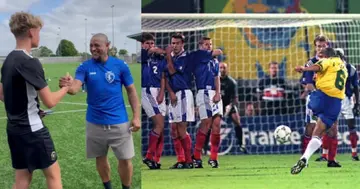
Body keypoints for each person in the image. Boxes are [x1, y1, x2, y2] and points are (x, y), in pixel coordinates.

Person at [59, 33, 140, 189]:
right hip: (94, 123)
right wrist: (67, 85)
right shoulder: (85, 67)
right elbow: (76, 87)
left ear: (107, 46)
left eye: (97, 45)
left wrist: (136, 117)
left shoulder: (120, 65)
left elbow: (131, 91)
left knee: (125, 160)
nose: (93, 49)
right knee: (100, 158)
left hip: (119, 122)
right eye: (91, 45)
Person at [1, 12, 71, 189]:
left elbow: (3, 94)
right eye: (39, 31)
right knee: (54, 176)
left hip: (14, 130)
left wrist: (30, 108)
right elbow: (50, 101)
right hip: (33, 131)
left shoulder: (8, 60)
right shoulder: (30, 62)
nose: (39, 35)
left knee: (22, 179)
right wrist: (66, 88)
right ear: (32, 32)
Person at [291, 47, 348, 174]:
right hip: (336, 103)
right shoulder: (343, 67)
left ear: (328, 56)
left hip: (321, 98)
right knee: (319, 133)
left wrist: (304, 69)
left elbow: (319, 67)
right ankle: (305, 159)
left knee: (312, 123)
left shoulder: (328, 60)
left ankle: (305, 157)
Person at [162, 33, 195, 169]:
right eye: (172, 43)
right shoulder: (172, 57)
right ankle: (181, 160)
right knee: (173, 129)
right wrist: (170, 92)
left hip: (183, 93)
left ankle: (189, 160)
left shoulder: (185, 57)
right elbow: (165, 76)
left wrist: (167, 55)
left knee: (181, 128)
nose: (174, 46)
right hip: (173, 95)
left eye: (177, 43)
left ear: (182, 44)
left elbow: (172, 70)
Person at [192, 37, 223, 168]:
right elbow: (219, 51)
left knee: (217, 124)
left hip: (214, 93)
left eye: (210, 44)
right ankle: (197, 156)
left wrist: (218, 92)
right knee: (206, 124)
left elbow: (217, 78)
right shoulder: (199, 57)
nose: (209, 46)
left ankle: (213, 158)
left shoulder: (214, 61)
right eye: (206, 44)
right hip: (202, 92)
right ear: (200, 46)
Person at [203, 62, 247, 154]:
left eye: (224, 68)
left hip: (227, 105)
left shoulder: (231, 82)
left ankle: (241, 145)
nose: (222, 70)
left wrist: (230, 106)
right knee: (209, 124)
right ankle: (204, 146)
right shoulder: (213, 80)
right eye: (221, 68)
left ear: (227, 69)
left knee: (237, 120)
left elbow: (235, 99)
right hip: (216, 105)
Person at [140, 33, 166, 169]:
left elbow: (163, 76)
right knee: (159, 124)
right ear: (142, 45)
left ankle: (155, 159)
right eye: (147, 43)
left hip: (159, 92)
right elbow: (149, 52)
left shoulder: (160, 58)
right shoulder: (142, 55)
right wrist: (154, 50)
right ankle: (149, 156)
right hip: (148, 90)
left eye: (151, 43)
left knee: (161, 128)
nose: (150, 46)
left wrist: (162, 92)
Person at [300, 35, 328, 155]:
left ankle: (327, 156)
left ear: (327, 46)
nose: (320, 49)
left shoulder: (333, 62)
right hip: (315, 99)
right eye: (318, 46)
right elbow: (309, 85)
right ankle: (304, 156)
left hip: (330, 99)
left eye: (323, 46)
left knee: (330, 127)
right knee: (311, 127)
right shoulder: (310, 63)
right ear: (315, 47)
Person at [335, 48, 359, 161]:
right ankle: (326, 155)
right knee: (330, 127)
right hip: (333, 98)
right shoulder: (331, 67)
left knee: (351, 127)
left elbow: (356, 88)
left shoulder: (351, 69)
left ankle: (354, 153)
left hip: (346, 100)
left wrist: (358, 103)